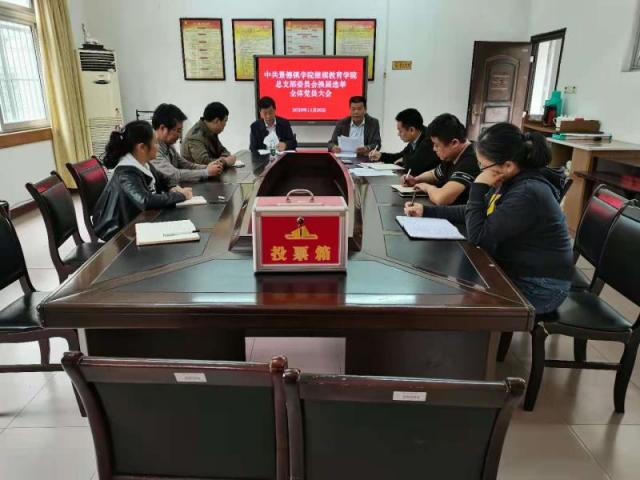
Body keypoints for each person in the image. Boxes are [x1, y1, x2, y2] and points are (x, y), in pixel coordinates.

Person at [405, 122, 573, 314]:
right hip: (517, 269)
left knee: (458, 305)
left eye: (484, 166)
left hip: (540, 287)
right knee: (454, 286)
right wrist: (426, 211)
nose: (481, 171)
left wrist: (478, 186)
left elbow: (479, 237)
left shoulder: (527, 192)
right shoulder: (510, 179)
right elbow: (475, 211)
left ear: (508, 165)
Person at [92, 121, 192, 241]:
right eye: (155, 142)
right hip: (119, 236)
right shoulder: (126, 172)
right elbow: (145, 200)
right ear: (142, 147)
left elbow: (161, 179)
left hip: (137, 224)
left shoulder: (143, 164)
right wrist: (181, 196)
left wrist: (171, 187)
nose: (158, 146)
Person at [402, 113, 479, 205]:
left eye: (437, 145)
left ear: (454, 143)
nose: (434, 149)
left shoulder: (471, 160)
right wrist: (416, 179)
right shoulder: (453, 155)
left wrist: (427, 187)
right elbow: (434, 174)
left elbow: (441, 198)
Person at [151, 103, 224, 186]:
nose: (180, 136)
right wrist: (206, 172)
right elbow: (174, 174)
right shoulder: (151, 148)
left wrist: (208, 167)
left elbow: (185, 164)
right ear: (163, 128)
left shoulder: (168, 145)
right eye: (178, 130)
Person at [368, 108, 439, 176]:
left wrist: (404, 160)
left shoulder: (429, 140)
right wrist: (381, 155)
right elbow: (400, 156)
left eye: (400, 131)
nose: (398, 134)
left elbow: (414, 166)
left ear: (412, 130)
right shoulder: (415, 138)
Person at [181, 101, 236, 167]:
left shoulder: (210, 131)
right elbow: (204, 162)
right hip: (194, 173)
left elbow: (223, 151)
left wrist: (224, 159)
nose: (225, 124)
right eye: (225, 121)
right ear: (216, 121)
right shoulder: (195, 137)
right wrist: (224, 161)